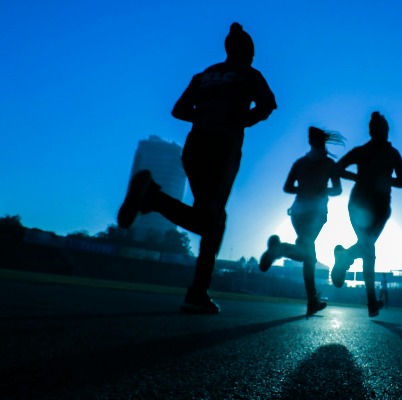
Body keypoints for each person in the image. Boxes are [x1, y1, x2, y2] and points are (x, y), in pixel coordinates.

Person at [117, 23, 277, 314]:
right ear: (248, 52)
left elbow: (178, 110)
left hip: (195, 146)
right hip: (223, 147)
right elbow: (269, 105)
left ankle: (197, 291)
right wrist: (240, 119)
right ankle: (153, 200)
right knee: (211, 220)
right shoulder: (249, 74)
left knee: (212, 217)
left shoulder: (204, 75)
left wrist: (203, 116)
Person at [331, 111, 402, 317]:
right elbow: (337, 169)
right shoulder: (363, 151)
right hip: (360, 207)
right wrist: (358, 177)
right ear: (373, 132)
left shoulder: (393, 154)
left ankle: (344, 258)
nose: (383, 134)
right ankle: (371, 302)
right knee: (368, 250)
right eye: (380, 131)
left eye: (385, 131)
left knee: (367, 249)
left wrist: (386, 180)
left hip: (380, 212)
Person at [259, 127, 344, 315]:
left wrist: (304, 189)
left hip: (297, 213)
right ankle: (280, 249)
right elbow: (338, 190)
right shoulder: (330, 164)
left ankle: (312, 299)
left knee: (309, 255)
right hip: (316, 214)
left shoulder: (300, 163)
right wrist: (322, 190)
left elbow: (287, 187)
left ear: (310, 143)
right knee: (309, 256)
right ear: (323, 143)